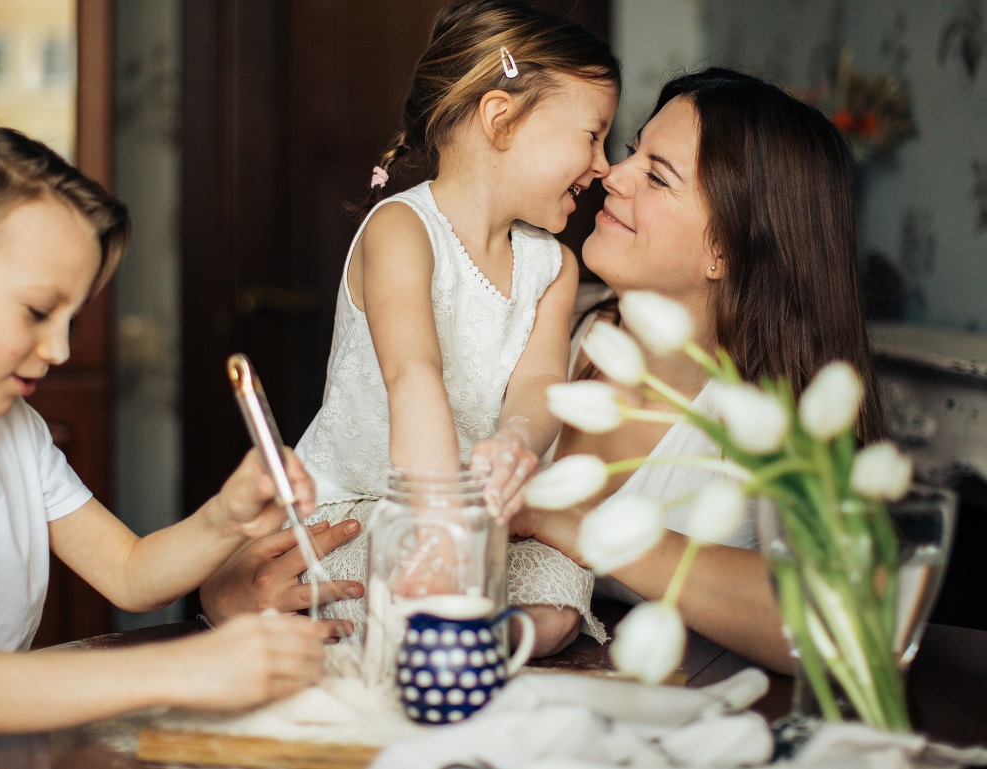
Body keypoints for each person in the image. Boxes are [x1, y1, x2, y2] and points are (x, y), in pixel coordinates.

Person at [0, 121, 331, 769]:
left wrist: (224, 517)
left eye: (71, 320)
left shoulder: (11, 425)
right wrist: (188, 665)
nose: (61, 349)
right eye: (38, 311)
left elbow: (129, 572)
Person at [204, 0, 621, 659]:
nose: (602, 164)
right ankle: (434, 628)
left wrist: (517, 443)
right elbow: (413, 373)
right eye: (592, 135)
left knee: (561, 588)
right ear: (502, 119)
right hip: (372, 506)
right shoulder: (401, 229)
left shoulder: (554, 267)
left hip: (482, 522)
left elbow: (540, 383)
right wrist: (437, 522)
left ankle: (465, 639)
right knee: (395, 570)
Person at [511, 67, 887, 674]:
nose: (613, 172)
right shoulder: (545, 324)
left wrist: (591, 528)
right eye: (634, 150)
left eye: (657, 175)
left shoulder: (773, 420)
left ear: (726, 250)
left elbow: (849, 624)